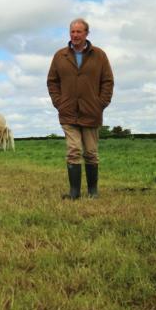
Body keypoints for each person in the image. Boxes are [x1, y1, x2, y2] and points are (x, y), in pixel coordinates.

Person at [46, 18, 114, 199]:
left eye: (79, 32)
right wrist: (58, 102)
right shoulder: (60, 56)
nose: (75, 35)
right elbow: (52, 81)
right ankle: (74, 193)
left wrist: (101, 103)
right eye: (72, 32)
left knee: (91, 153)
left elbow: (107, 81)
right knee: (73, 150)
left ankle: (93, 192)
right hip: (68, 112)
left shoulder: (99, 55)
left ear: (86, 34)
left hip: (92, 112)